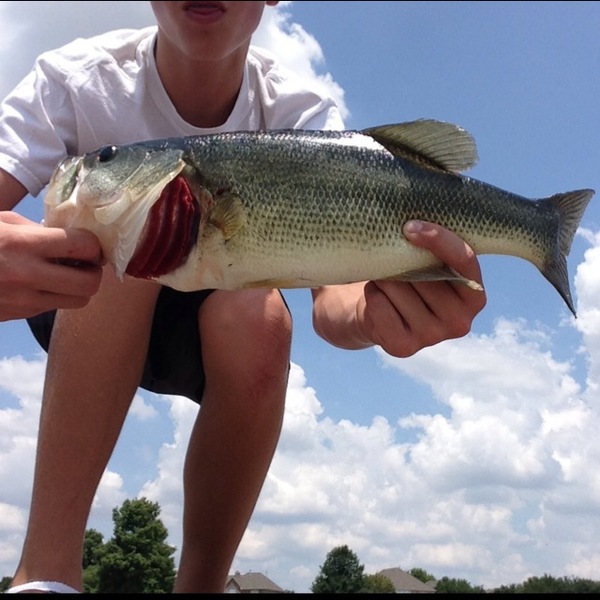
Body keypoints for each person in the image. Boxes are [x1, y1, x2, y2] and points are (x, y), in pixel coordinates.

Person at [0, 1, 486, 594]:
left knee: (261, 318)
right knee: (130, 248)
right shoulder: (75, 79)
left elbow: (335, 299)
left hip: (217, 336)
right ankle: (45, 575)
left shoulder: (302, 113)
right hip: (82, 307)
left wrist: (372, 317)